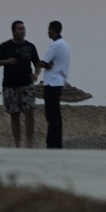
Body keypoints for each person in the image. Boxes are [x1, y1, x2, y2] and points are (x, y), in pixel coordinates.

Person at [0, 20, 42, 147]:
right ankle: (18, 143)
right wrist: (6, 61)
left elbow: (38, 64)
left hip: (27, 85)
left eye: (23, 28)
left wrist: (36, 74)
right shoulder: (5, 46)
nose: (22, 31)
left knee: (29, 112)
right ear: (13, 31)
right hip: (10, 85)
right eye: (19, 29)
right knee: (15, 114)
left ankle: (29, 143)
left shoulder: (30, 46)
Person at [39, 21, 70, 150]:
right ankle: (56, 141)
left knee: (51, 114)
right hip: (59, 82)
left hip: (51, 82)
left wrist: (43, 64)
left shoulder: (55, 45)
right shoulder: (65, 45)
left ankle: (52, 142)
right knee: (55, 114)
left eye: (49, 29)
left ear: (53, 30)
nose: (47, 32)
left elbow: (43, 62)